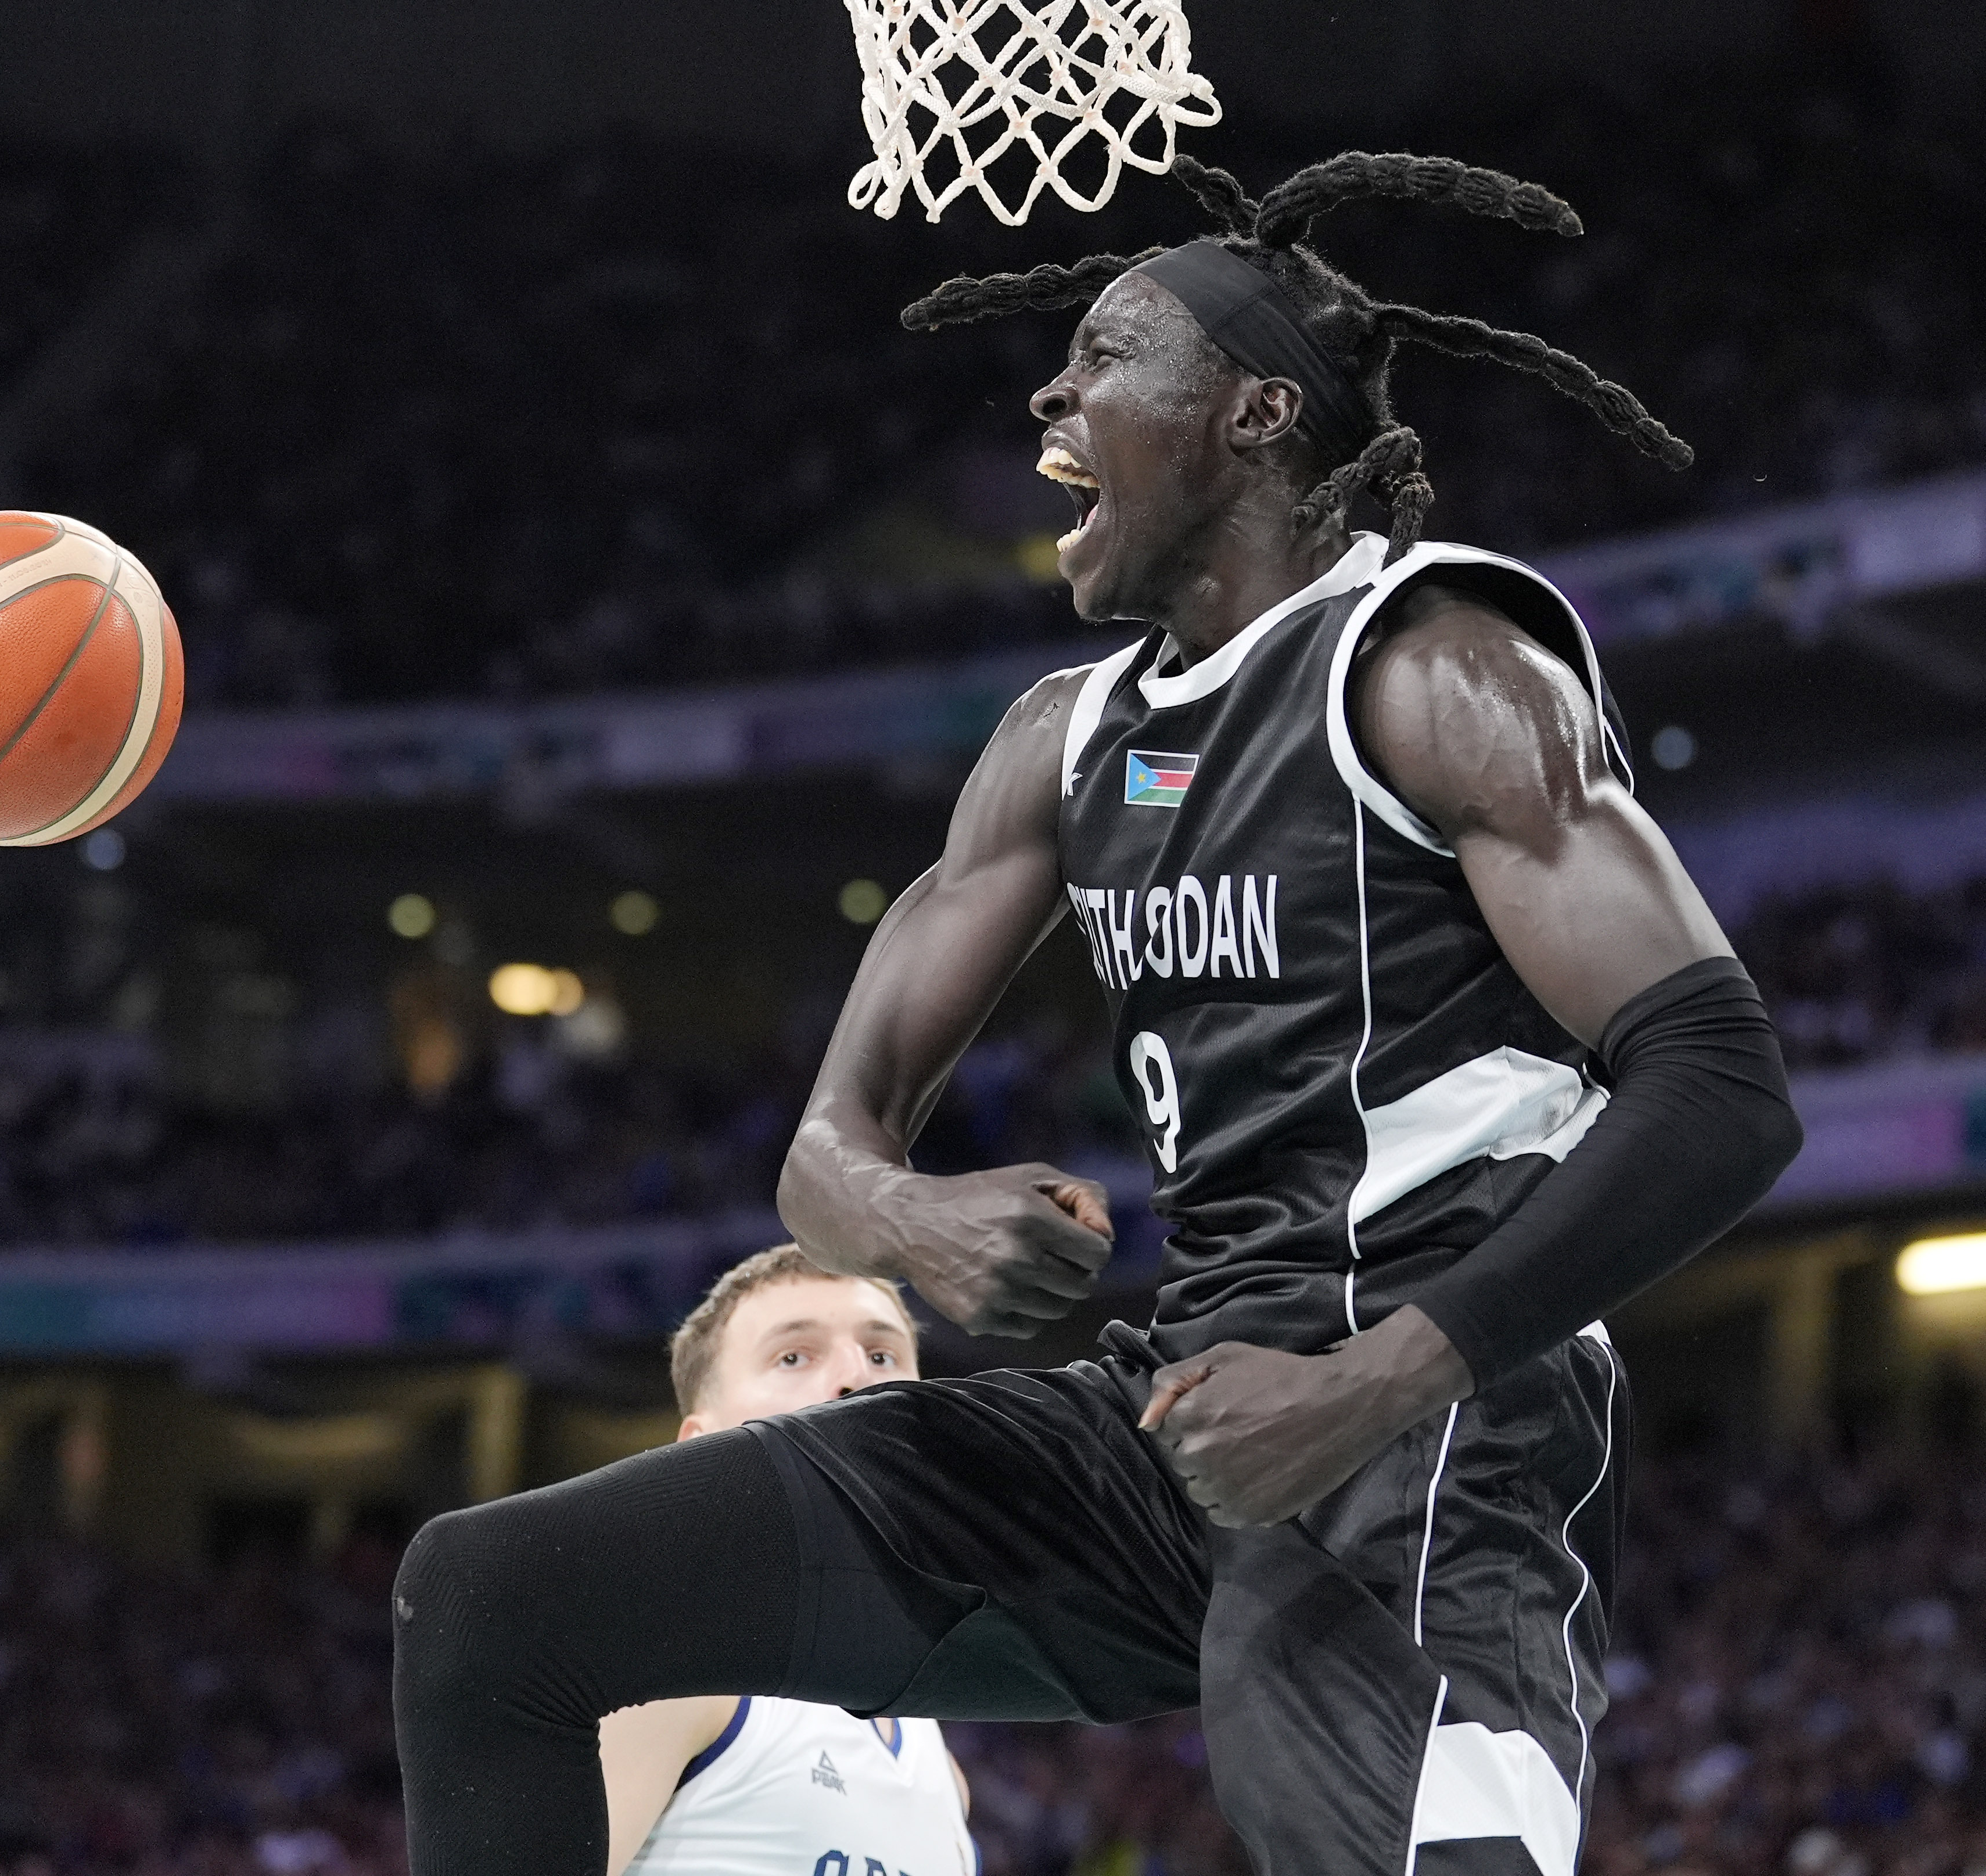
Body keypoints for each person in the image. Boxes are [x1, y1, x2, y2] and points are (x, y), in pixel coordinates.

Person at [393, 152, 1804, 1874]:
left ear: (1253, 413)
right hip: (1172, 1418)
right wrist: (910, 1214)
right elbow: (823, 1156)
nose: (1052, 391)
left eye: (1109, 353)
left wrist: (1372, 1381)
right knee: (496, 1597)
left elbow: (1723, 1084)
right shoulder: (1060, 742)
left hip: (1425, 1422)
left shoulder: (1431, 666)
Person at [599, 1246, 972, 1876]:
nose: (855, 1375)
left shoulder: (941, 1765)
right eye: (793, 1355)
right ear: (702, 1448)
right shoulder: (662, 1668)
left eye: (881, 1354)